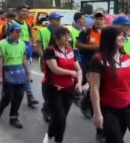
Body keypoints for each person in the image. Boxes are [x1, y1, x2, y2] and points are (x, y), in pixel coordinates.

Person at [88, 26, 130, 143]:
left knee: (118, 136)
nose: (123, 37)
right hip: (108, 109)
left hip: (126, 107)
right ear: (110, 38)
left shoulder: (127, 58)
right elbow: (94, 88)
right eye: (119, 35)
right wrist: (97, 113)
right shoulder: (98, 59)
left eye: (123, 35)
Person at [42, 26, 83, 143]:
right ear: (56, 37)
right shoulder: (50, 51)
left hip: (68, 89)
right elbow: (55, 69)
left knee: (62, 118)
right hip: (52, 89)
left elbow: (79, 69)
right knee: (59, 116)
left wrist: (79, 83)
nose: (67, 38)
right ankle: (51, 136)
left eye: (68, 35)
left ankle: (54, 137)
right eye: (64, 35)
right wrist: (71, 72)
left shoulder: (71, 51)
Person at [76, 11, 105, 141]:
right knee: (93, 86)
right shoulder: (87, 31)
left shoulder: (107, 33)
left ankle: (85, 102)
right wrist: (92, 47)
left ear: (104, 21)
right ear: (93, 20)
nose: (99, 21)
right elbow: (77, 45)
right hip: (88, 63)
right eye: (97, 19)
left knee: (97, 87)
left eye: (101, 19)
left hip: (103, 64)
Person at [0, 22, 30, 129]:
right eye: (16, 32)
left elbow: (24, 60)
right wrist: (0, 76)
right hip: (8, 71)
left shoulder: (22, 44)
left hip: (20, 72)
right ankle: (2, 105)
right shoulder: (2, 44)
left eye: (20, 32)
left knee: (19, 96)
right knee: (8, 96)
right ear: (10, 32)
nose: (19, 34)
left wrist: (28, 73)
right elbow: (0, 61)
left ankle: (14, 117)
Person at [36, 12, 63, 122]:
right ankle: (47, 108)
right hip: (47, 61)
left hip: (59, 60)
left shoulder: (62, 31)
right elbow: (39, 47)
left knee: (59, 85)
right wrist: (45, 58)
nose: (59, 21)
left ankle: (51, 107)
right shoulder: (43, 31)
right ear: (51, 20)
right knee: (50, 85)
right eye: (57, 19)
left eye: (59, 19)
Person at [14, 5, 39, 107]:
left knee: (26, 73)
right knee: (19, 74)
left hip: (26, 52)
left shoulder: (27, 24)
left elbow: (31, 35)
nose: (25, 13)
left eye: (26, 11)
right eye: (23, 11)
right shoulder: (12, 24)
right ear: (18, 12)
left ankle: (29, 96)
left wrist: (33, 44)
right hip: (16, 52)